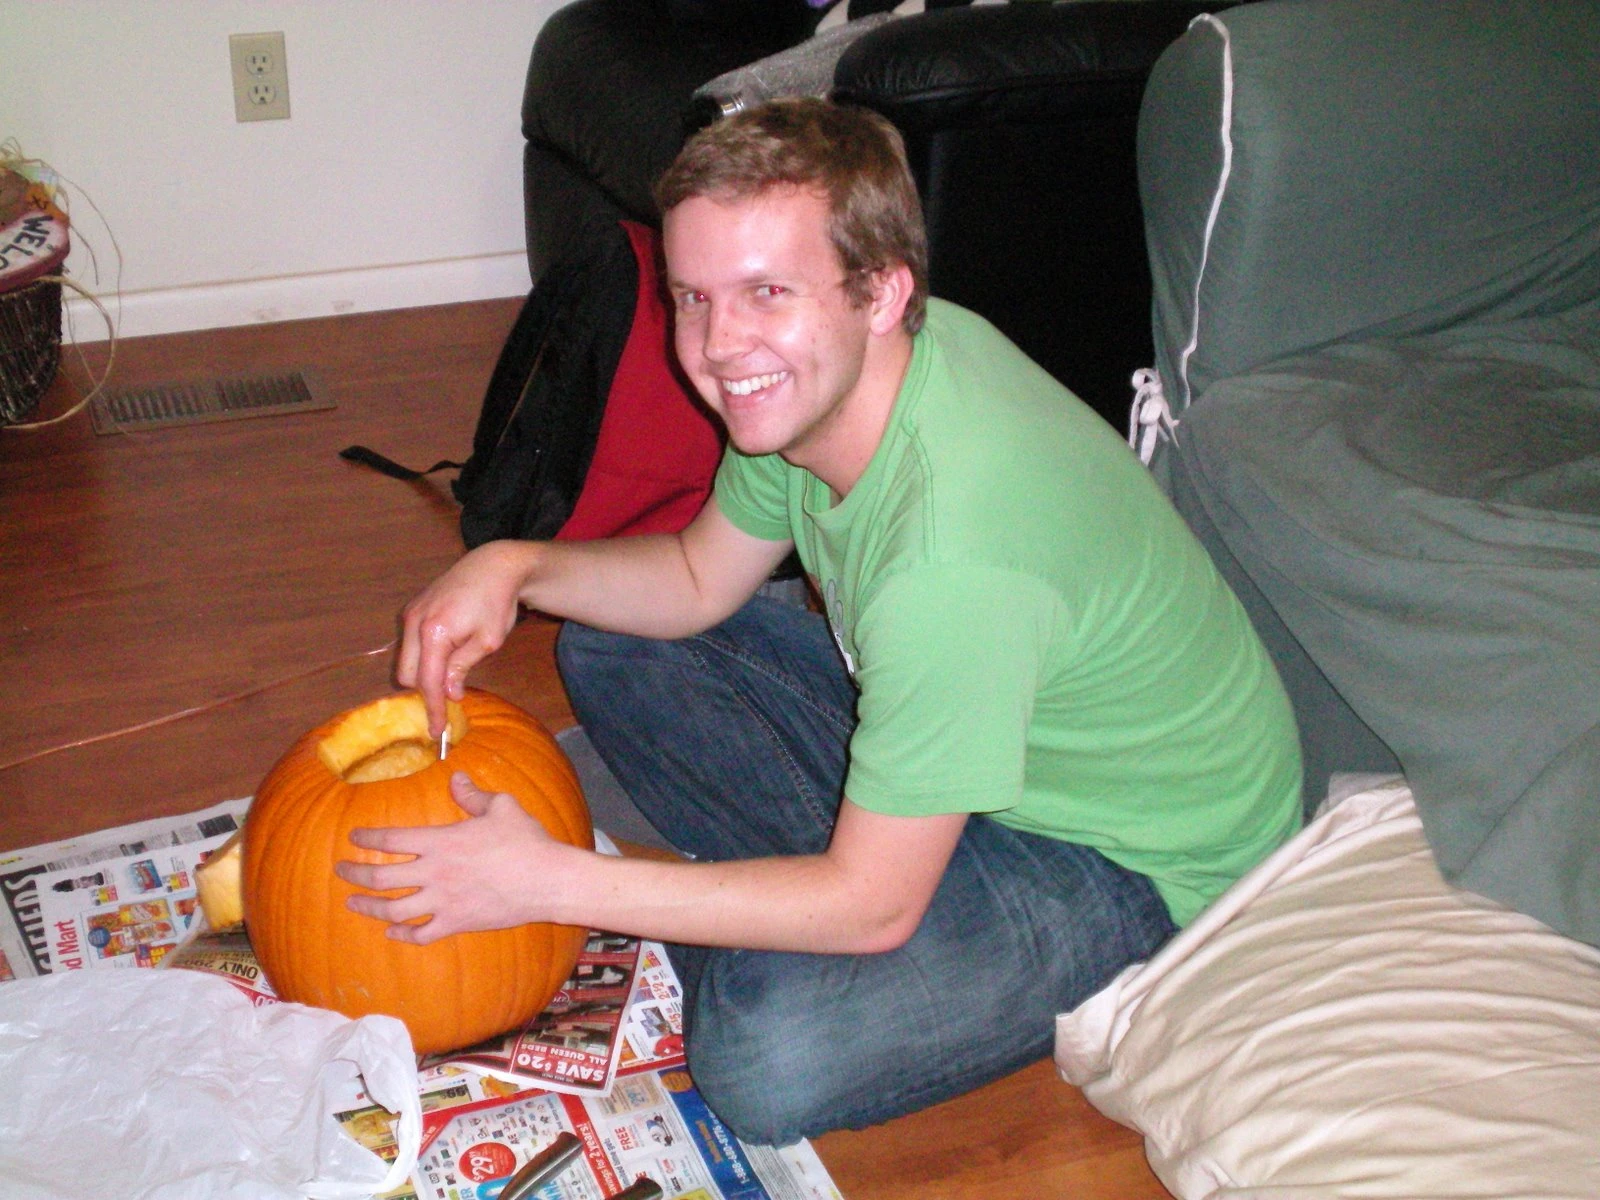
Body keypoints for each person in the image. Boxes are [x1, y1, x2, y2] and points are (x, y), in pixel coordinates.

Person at [337, 97, 1303, 1146]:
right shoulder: (814, 387)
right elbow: (698, 578)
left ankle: (792, 899)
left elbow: (873, 906)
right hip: (990, 742)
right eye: (692, 297)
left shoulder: (953, 555)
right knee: (608, 634)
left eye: (764, 293)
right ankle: (834, 864)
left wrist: (558, 885)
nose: (717, 346)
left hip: (1134, 867)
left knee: (762, 1053)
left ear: (880, 292)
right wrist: (512, 564)